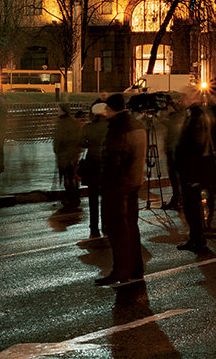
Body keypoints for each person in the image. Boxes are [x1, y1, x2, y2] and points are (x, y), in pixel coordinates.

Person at [96, 94, 147, 287]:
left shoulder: (118, 128)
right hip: (133, 183)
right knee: (131, 228)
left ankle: (121, 270)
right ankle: (135, 269)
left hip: (118, 186)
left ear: (112, 109)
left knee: (118, 231)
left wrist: (104, 180)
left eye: (107, 109)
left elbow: (113, 159)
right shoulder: (136, 124)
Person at [174, 103, 216, 252]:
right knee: (191, 207)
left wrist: (187, 164)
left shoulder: (196, 118)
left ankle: (198, 240)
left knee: (193, 206)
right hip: (191, 168)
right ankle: (195, 238)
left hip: (193, 169)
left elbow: (196, 144)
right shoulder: (195, 116)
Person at [79, 103, 108, 239]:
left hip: (92, 163)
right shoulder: (110, 126)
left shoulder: (88, 127)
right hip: (106, 164)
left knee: (93, 198)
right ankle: (106, 224)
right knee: (106, 197)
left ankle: (94, 227)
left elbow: (81, 143)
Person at [53, 106, 83, 211]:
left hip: (64, 154)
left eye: (59, 109)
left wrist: (56, 149)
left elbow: (58, 139)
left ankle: (71, 197)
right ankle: (74, 197)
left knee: (67, 176)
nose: (58, 111)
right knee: (71, 176)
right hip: (72, 154)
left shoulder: (62, 124)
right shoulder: (73, 123)